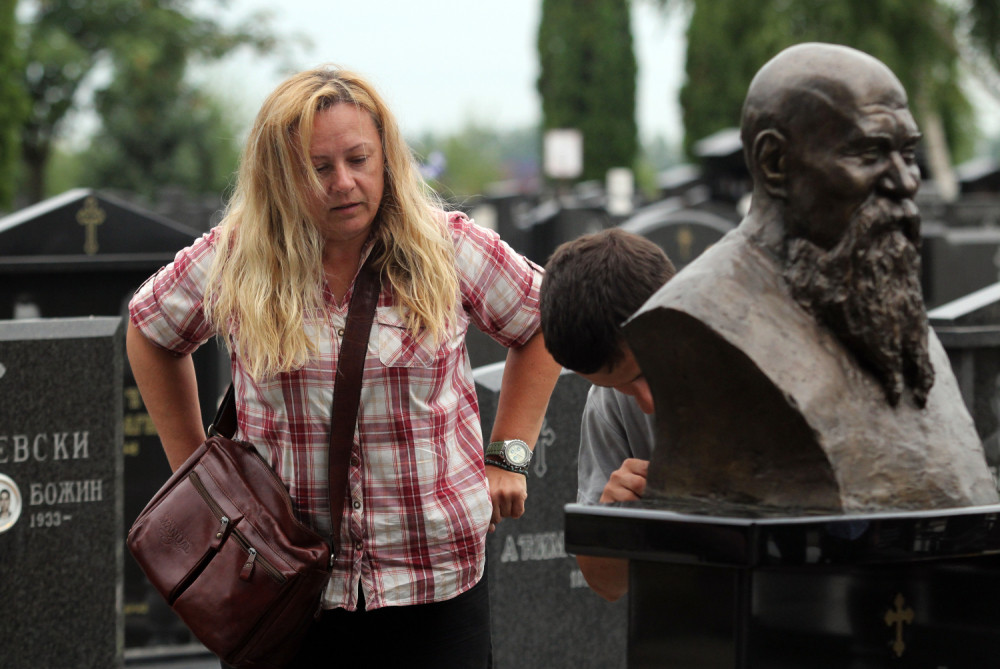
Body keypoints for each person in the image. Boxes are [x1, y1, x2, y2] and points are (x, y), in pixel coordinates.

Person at [126, 66, 562, 668]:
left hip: (433, 578)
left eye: (359, 158)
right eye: (319, 168)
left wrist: (508, 452)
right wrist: (197, 481)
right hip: (285, 586)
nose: (344, 182)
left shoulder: (447, 248)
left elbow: (545, 319)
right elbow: (150, 329)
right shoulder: (236, 257)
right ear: (280, 175)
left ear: (386, 156)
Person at [626, 42, 998, 511]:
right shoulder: (697, 322)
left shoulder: (893, 316)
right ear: (775, 164)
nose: (905, 181)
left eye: (908, 152)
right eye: (869, 152)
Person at [540, 228, 676, 601]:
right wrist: (614, 524)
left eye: (647, 371)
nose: (645, 402)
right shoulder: (607, 402)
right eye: (622, 386)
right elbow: (607, 584)